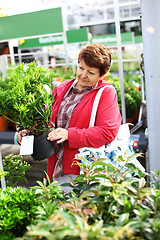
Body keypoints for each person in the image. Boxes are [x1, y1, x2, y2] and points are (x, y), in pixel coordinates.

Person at [17, 43, 121, 189]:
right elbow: (46, 120)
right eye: (81, 68)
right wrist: (27, 131)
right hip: (55, 166)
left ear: (102, 75)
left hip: (83, 169)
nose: (83, 75)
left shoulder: (105, 93)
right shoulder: (61, 89)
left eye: (91, 73)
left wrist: (69, 135)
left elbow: (107, 132)